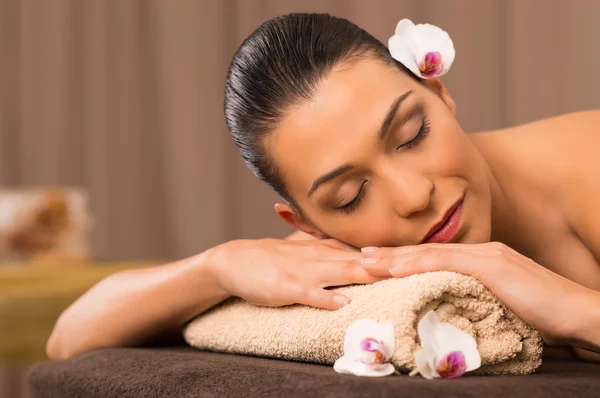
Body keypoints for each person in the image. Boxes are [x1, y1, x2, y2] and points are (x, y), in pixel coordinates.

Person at [46, 13, 600, 362]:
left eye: (411, 134)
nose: (412, 197)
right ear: (309, 224)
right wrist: (215, 267)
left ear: (438, 91)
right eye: (350, 196)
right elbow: (69, 337)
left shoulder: (586, 162)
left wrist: (574, 311)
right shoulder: (348, 255)